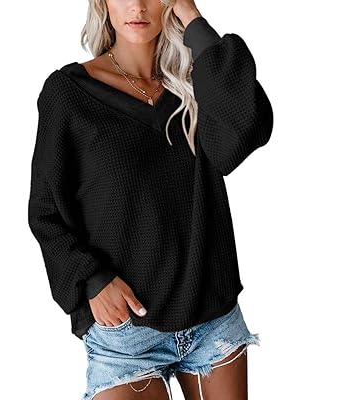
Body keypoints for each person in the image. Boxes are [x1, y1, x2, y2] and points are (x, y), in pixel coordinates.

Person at [28, 0, 274, 399]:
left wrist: (193, 21)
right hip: (126, 332)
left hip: (212, 318)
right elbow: (45, 210)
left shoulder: (197, 82)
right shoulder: (68, 94)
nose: (138, 6)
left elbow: (242, 133)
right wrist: (90, 279)